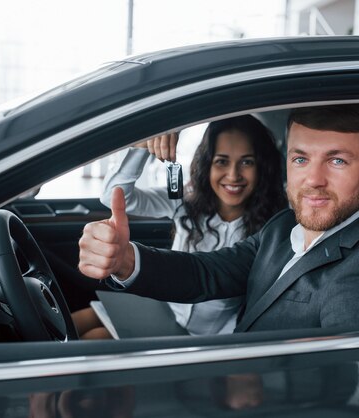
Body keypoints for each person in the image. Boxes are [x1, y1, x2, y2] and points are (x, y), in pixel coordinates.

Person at [77, 104, 359, 333]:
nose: (313, 179)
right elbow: (206, 273)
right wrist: (126, 260)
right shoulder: (283, 228)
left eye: (337, 161)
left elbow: (343, 396)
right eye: (300, 159)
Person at [72, 115, 287, 339]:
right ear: (207, 163)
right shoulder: (186, 201)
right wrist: (142, 144)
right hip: (162, 308)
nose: (233, 175)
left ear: (262, 167)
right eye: (221, 161)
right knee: (79, 320)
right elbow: (113, 196)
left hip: (205, 336)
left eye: (247, 162)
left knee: (94, 338)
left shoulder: (273, 227)